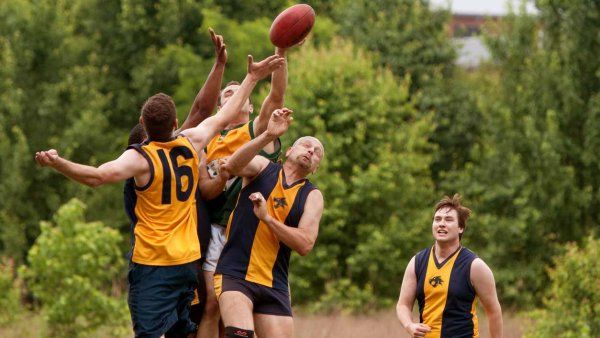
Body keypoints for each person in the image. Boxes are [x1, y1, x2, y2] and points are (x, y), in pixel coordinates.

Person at [35, 53, 285, 338]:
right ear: (176, 122)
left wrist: (57, 162)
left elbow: (96, 176)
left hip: (154, 264)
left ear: (143, 122)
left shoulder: (141, 159)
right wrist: (252, 77)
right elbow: (224, 115)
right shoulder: (192, 141)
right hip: (187, 263)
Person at [198, 45, 290, 338]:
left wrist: (281, 50)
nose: (232, 95)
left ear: (250, 107)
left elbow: (276, 98)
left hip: (250, 235)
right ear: (220, 108)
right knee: (212, 306)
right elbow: (205, 190)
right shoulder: (206, 140)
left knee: (246, 312)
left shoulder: (255, 130)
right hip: (215, 228)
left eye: (240, 93)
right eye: (227, 94)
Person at [212, 110, 324, 338]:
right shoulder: (263, 167)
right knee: (239, 335)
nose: (311, 150)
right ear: (290, 150)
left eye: (317, 152)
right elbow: (230, 167)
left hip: (275, 284)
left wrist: (267, 218)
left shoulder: (312, 196)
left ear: (315, 168)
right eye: (306, 145)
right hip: (236, 274)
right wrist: (267, 136)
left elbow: (305, 245)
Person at [396, 194, 503, 338]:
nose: (441, 223)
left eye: (448, 219)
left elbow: (494, 312)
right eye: (437, 219)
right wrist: (409, 325)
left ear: (460, 228)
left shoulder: (475, 266)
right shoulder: (417, 261)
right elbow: (403, 305)